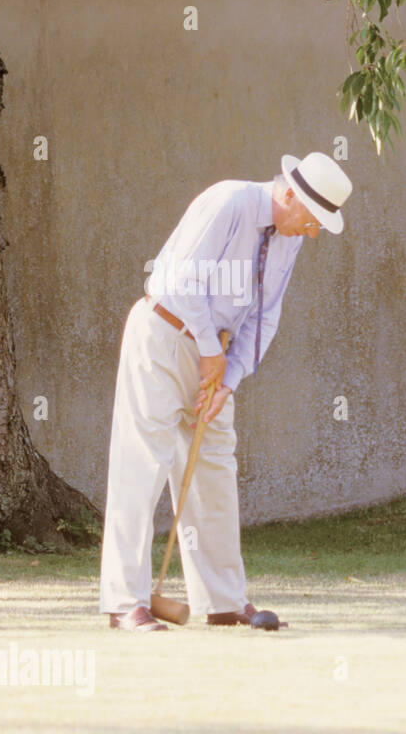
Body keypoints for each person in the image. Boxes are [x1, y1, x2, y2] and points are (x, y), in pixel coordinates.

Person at [99, 152, 352, 631]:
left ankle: (224, 601)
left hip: (216, 354)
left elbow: (265, 317)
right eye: (314, 219)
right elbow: (183, 280)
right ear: (290, 194)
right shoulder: (229, 201)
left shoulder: (288, 239)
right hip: (165, 335)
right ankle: (123, 601)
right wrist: (208, 348)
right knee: (142, 463)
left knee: (214, 467)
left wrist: (228, 378)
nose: (314, 231)